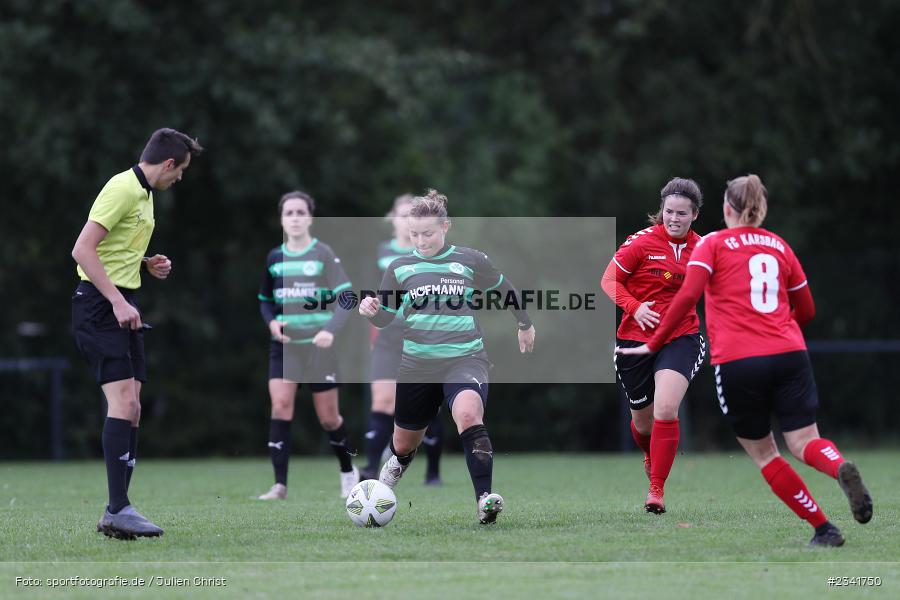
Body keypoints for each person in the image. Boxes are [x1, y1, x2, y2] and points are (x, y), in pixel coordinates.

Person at [617, 174, 873, 546]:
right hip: (790, 354)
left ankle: (825, 528)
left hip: (740, 361)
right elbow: (808, 309)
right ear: (761, 208)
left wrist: (653, 342)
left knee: (767, 453)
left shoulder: (713, 245)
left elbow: (687, 299)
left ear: (724, 209)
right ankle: (838, 466)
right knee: (804, 442)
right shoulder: (779, 245)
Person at [359, 189, 536, 524]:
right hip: (417, 364)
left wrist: (524, 324)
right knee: (404, 444)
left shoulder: (470, 260)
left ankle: (484, 500)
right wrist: (371, 310)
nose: (421, 241)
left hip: (465, 358)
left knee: (469, 415)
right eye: (414, 234)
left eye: (428, 233)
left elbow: (505, 289)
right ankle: (385, 484)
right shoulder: (399, 267)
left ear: (445, 227)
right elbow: (385, 317)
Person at [71, 128, 203, 539]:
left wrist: (144, 263)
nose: (179, 179)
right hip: (100, 305)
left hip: (122, 304)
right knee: (123, 402)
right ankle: (118, 509)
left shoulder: (144, 195)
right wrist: (116, 301)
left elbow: (111, 249)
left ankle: (119, 511)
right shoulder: (123, 188)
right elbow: (82, 250)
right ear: (168, 164)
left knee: (135, 408)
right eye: (180, 171)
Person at [600, 177, 707, 514]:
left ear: (695, 216)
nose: (674, 218)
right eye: (669, 212)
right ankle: (649, 453)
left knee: (665, 409)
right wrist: (635, 307)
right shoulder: (641, 243)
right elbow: (608, 280)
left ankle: (656, 490)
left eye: (682, 213)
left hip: (682, 337)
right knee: (644, 423)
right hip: (634, 341)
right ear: (661, 211)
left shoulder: (704, 248)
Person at [257, 190, 359, 500]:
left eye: (301, 212)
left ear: (310, 218)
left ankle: (347, 471)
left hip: (319, 348)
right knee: (280, 406)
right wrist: (272, 323)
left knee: (329, 418)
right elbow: (264, 301)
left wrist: (330, 330)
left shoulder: (323, 254)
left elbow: (347, 298)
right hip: (286, 347)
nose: (295, 218)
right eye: (289, 213)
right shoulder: (275, 258)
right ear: (282, 219)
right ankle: (279, 485)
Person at [361, 194, 445, 485]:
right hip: (388, 335)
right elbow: (372, 294)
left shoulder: (431, 253)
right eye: (402, 214)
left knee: (428, 404)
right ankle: (370, 470)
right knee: (383, 401)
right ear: (394, 218)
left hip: (423, 336)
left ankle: (433, 472)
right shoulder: (383, 252)